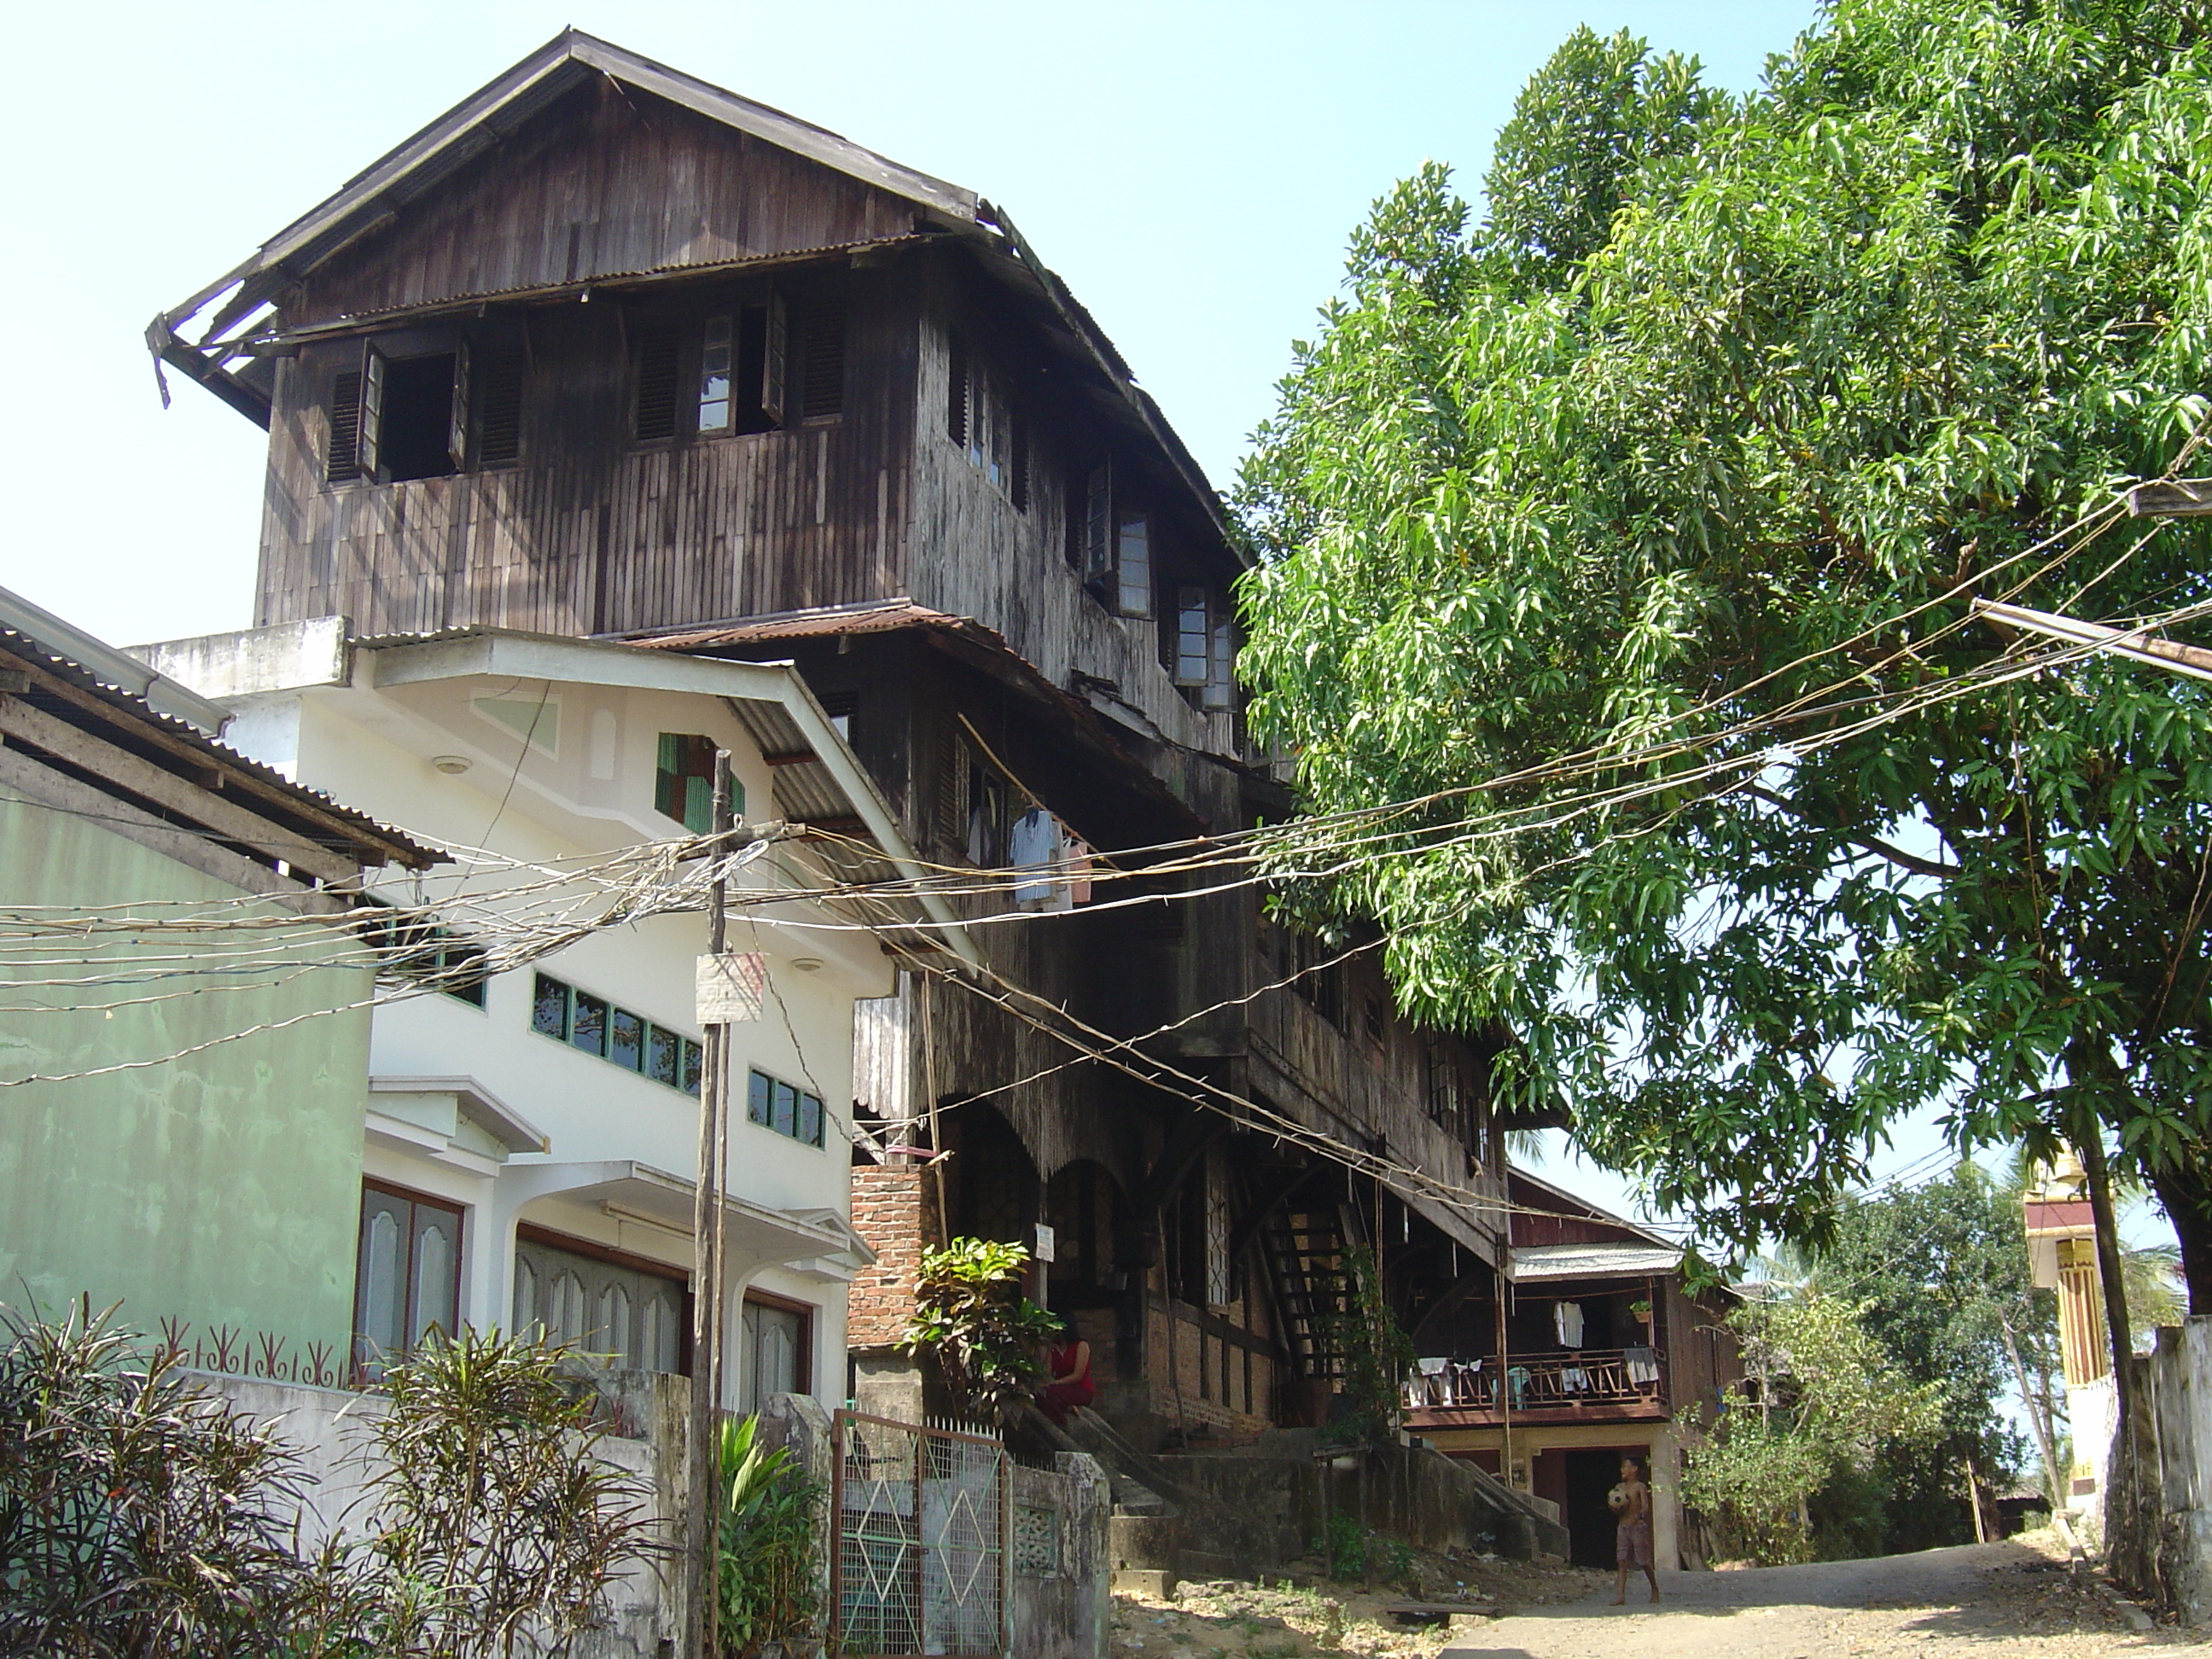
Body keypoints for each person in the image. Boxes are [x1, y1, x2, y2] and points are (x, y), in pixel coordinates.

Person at [1610, 1453, 1659, 1604]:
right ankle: (1620, 1595)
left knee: (1643, 1561)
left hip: (1637, 1528)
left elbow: (1645, 1507)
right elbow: (1614, 1507)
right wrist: (1615, 1509)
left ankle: (1654, 1589)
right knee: (1622, 1560)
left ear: (1635, 1469)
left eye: (1626, 1466)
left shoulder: (1640, 1487)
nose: (1622, 1469)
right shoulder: (1619, 1489)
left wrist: (1639, 1516)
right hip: (1623, 1527)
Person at [1041, 1319, 1093, 1425]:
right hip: (1059, 1389)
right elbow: (1048, 1372)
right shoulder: (1053, 1348)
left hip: (1080, 1388)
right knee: (1042, 1394)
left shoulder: (1081, 1345)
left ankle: (1062, 1425)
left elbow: (1078, 1375)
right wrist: (1046, 1350)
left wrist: (1056, 1383)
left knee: (1052, 1393)